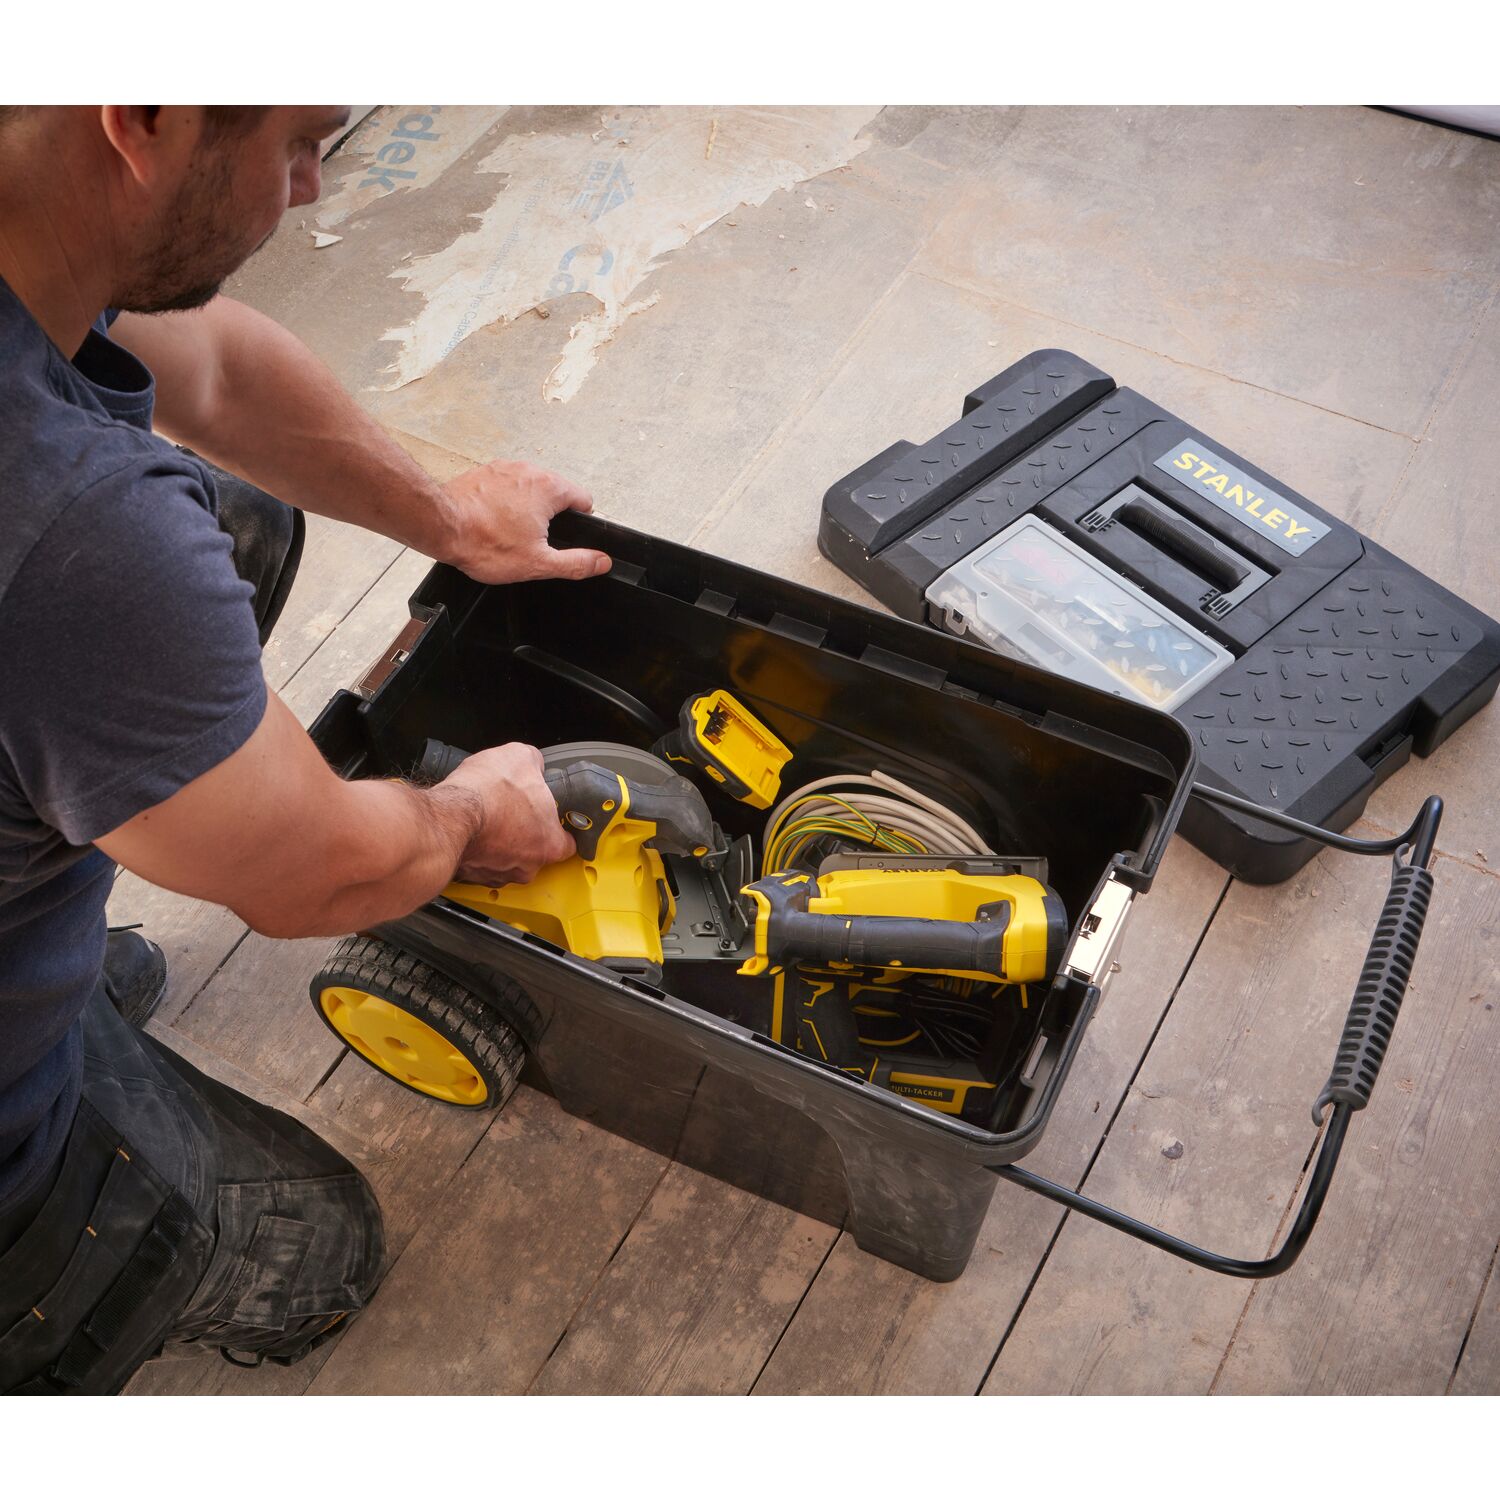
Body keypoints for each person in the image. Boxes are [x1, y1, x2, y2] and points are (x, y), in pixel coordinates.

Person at [0, 105, 610, 1393]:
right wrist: (469, 813)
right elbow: (317, 878)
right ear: (141, 118)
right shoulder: (70, 530)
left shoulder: (31, 206)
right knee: (321, 1245)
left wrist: (451, 520)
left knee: (231, 529)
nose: (317, 185)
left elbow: (213, 369)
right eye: (298, 142)